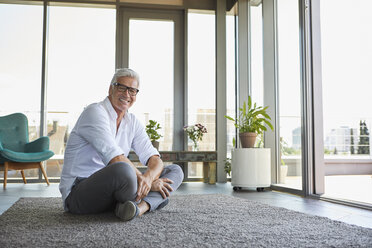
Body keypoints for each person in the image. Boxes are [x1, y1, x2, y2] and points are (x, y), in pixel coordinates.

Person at [59, 68, 184, 221]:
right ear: (111, 88)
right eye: (122, 88)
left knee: (175, 170)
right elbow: (115, 159)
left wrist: (149, 178)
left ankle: (138, 208)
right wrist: (150, 185)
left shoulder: (132, 122)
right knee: (123, 169)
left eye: (132, 90)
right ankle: (152, 200)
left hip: (116, 193)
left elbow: (154, 158)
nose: (127, 94)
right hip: (79, 194)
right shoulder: (94, 112)